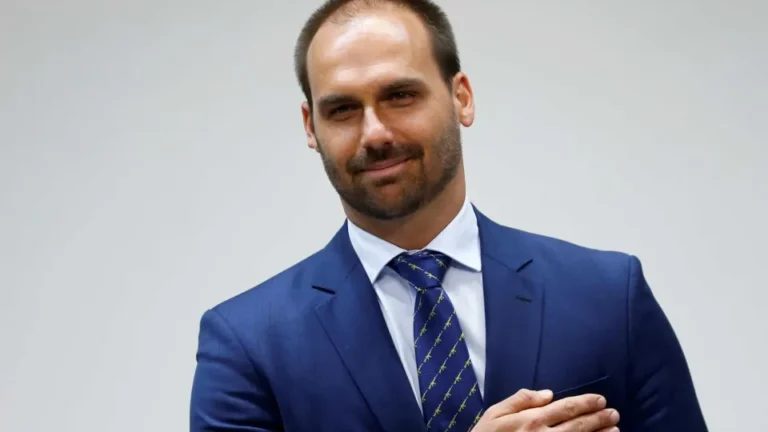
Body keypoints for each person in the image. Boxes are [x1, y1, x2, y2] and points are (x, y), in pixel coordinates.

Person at [190, 0, 708, 431]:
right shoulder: (247, 345)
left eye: (400, 95)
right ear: (311, 126)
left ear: (462, 97)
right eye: (342, 109)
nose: (375, 133)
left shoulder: (608, 296)